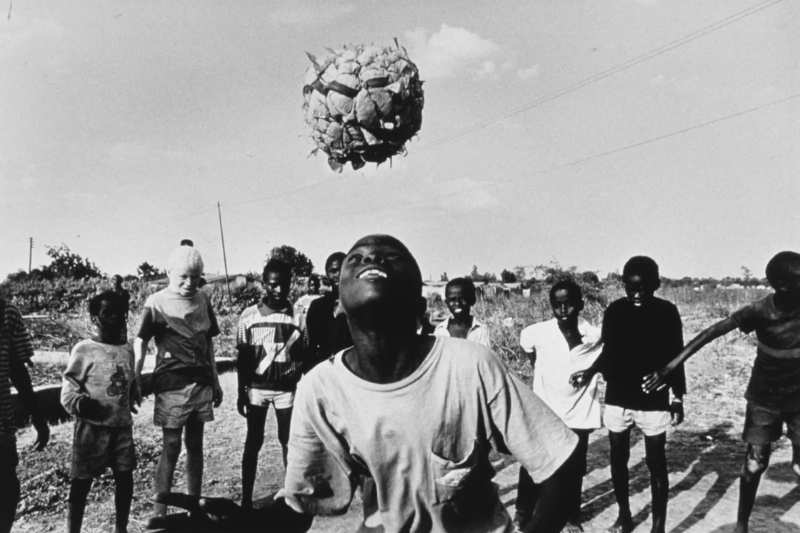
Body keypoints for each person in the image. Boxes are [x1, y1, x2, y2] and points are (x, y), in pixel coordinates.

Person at [152, 234, 582, 533]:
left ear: (418, 304)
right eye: (358, 258)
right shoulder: (321, 388)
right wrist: (245, 523)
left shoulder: (469, 364)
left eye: (390, 257)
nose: (373, 258)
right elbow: (299, 509)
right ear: (338, 304)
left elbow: (560, 464)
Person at [644, 251, 800, 533]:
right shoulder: (759, 310)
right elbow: (711, 333)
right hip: (765, 398)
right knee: (754, 464)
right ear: (784, 285)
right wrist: (669, 368)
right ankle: (741, 526)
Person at [571, 256, 685, 533]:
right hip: (618, 398)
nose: (636, 294)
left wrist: (677, 396)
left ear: (656, 284)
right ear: (623, 285)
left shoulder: (667, 312)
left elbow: (677, 355)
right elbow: (608, 352)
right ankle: (625, 516)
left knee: (656, 463)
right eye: (630, 288)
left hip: (653, 400)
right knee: (618, 461)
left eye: (643, 288)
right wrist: (590, 371)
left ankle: (658, 526)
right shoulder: (615, 311)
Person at [133, 246, 223, 520]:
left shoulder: (203, 299)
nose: (189, 283)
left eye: (195, 277)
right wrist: (135, 378)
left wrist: (216, 381)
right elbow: (141, 342)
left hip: (201, 384)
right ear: (169, 273)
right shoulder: (156, 302)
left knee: (195, 444)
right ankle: (160, 512)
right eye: (183, 277)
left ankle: (194, 509)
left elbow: (208, 342)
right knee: (171, 446)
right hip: (171, 384)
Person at [515, 279, 603, 533]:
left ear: (581, 305)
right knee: (533, 461)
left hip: (580, 411)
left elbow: (605, 358)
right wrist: (539, 369)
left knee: (574, 468)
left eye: (569, 304)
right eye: (557, 305)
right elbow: (527, 348)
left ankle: (571, 516)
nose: (563, 310)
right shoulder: (538, 332)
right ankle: (523, 512)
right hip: (546, 409)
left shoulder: (595, 335)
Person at [61, 291, 137, 533]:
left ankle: (121, 528)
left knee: (125, 478)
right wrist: (83, 404)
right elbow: (68, 391)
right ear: (94, 318)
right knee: (81, 482)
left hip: (121, 427)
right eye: (108, 313)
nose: (115, 317)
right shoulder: (84, 349)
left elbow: (129, 381)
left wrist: (132, 394)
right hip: (91, 429)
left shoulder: (127, 349)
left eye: (120, 313)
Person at [236, 259, 303, 509]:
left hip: (286, 391)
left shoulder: (298, 315)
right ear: (264, 285)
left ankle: (291, 497)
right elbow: (242, 357)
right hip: (257, 390)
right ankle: (245, 499)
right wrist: (242, 393)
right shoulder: (248, 316)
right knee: (254, 441)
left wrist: (295, 377)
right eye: (273, 285)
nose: (279, 290)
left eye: (283, 285)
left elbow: (303, 353)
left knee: (288, 441)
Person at [0, 297, 49, 533]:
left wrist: (38, 417)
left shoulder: (7, 312)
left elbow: (18, 369)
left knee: (6, 483)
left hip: (1, 421)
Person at [302, 252, 352, 370]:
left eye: (341, 270)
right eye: (333, 271)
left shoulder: (359, 304)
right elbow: (311, 345)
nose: (338, 275)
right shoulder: (318, 307)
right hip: (324, 371)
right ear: (327, 274)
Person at [433, 277, 491, 348]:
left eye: (463, 299)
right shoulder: (441, 331)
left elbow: (484, 357)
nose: (457, 303)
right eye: (452, 299)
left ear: (472, 300)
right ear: (447, 303)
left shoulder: (481, 331)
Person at [110, 275, 131, 344]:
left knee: (122, 335)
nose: (115, 281)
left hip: (120, 315)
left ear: (120, 281)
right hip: (111, 315)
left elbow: (126, 305)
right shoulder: (109, 292)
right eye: (114, 279)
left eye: (117, 279)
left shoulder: (124, 292)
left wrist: (127, 316)